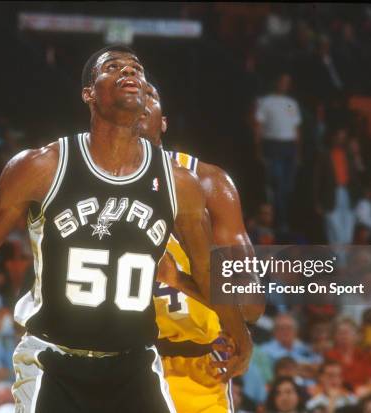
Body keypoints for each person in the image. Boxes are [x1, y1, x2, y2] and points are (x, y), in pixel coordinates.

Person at [0, 45, 251, 413]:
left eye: (136, 68)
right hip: (53, 362)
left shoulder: (181, 183)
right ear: (89, 93)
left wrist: (238, 332)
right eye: (113, 67)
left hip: (135, 363)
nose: (129, 72)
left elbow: (209, 268)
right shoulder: (41, 168)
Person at [140, 81, 263, 413]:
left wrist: (183, 278)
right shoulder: (80, 183)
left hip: (196, 367)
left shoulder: (209, 183)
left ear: (163, 119)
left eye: (148, 94)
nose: (137, 99)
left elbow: (251, 306)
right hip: (115, 361)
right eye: (128, 93)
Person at [252, 72, 302, 232]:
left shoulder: (290, 103)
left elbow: (295, 128)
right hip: (273, 145)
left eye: (287, 82)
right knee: (277, 185)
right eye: (282, 81)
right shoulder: (265, 101)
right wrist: (258, 149)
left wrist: (298, 151)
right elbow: (258, 127)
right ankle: (276, 223)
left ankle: (283, 221)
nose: (284, 85)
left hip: (289, 147)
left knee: (287, 187)